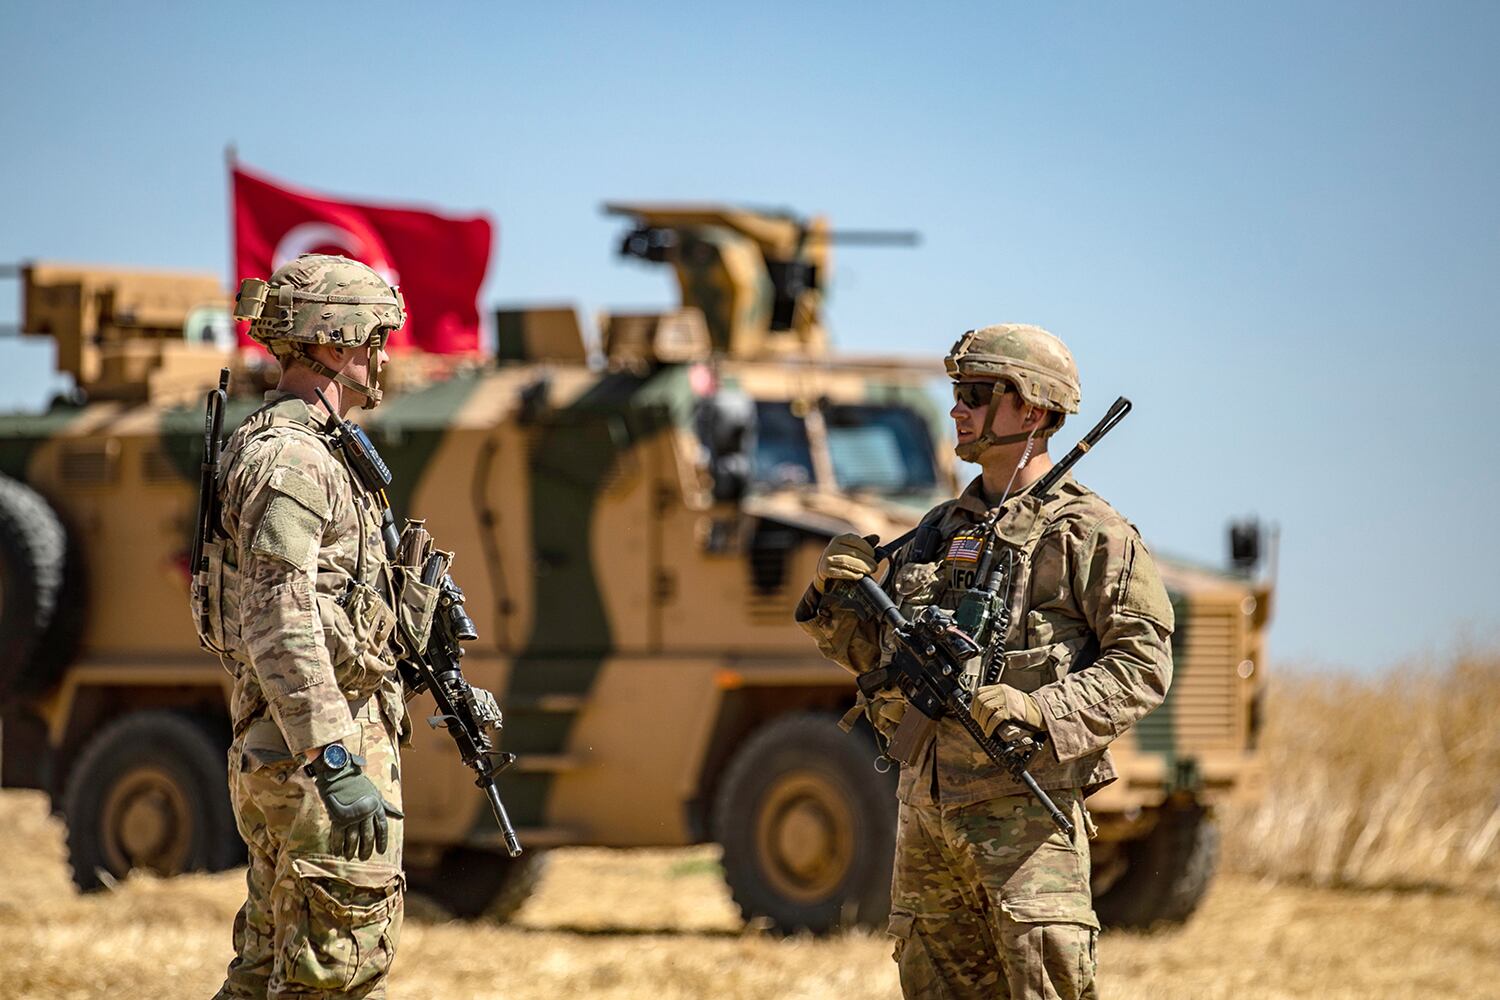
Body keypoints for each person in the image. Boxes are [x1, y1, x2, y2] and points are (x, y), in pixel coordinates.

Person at [796, 323, 1175, 999]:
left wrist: (1038, 709)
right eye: (956, 393)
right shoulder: (942, 530)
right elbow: (877, 659)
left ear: (1031, 410)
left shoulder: (1089, 535)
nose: (957, 410)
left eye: (975, 393)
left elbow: (1143, 661)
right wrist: (839, 598)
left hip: (1026, 841)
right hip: (928, 832)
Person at [202, 254, 409, 999]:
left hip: (295, 752)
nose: (380, 354)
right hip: (312, 764)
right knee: (334, 976)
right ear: (334, 338)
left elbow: (336, 607)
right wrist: (332, 757)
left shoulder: (320, 450)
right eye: (372, 337)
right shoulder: (292, 458)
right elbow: (278, 613)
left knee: (266, 973)